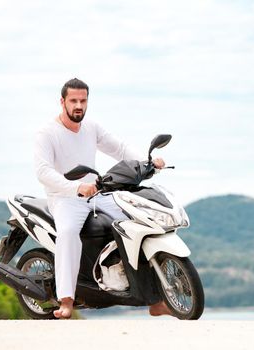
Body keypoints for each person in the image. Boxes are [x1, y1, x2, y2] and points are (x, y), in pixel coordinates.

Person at [34, 78, 171, 319]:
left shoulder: (91, 128)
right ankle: (66, 300)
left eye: (83, 101)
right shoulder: (48, 133)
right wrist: (75, 187)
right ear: (62, 102)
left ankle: (155, 300)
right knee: (67, 233)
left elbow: (119, 148)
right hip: (65, 198)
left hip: (97, 194)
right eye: (73, 100)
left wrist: (148, 162)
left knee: (137, 223)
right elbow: (43, 172)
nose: (79, 105)